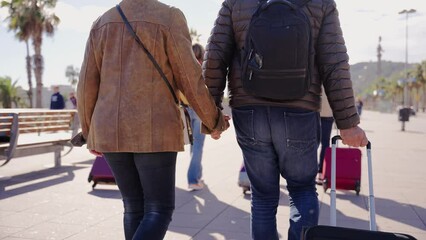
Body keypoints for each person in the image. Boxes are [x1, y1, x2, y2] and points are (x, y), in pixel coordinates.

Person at [204, 1, 369, 240]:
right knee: (302, 190)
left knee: (262, 196)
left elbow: (215, 56)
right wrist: (348, 123)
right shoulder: (321, 3)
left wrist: (211, 116)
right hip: (299, 110)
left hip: (250, 110)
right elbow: (334, 64)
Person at [76, 1, 229, 239]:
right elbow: (190, 79)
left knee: (134, 207)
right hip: (155, 129)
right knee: (159, 209)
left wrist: (88, 132)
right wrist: (215, 121)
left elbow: (86, 84)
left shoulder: (102, 22)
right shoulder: (169, 17)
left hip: (110, 129)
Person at [186, 43, 207, 191]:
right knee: (198, 145)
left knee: (194, 145)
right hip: (199, 109)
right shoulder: (203, 67)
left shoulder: (184, 66)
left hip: (186, 109)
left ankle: (197, 176)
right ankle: (193, 180)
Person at [317, 87, 334, 184]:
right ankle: (320, 173)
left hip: (313, 111)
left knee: (312, 143)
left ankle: (315, 172)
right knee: (325, 144)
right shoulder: (332, 72)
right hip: (327, 113)